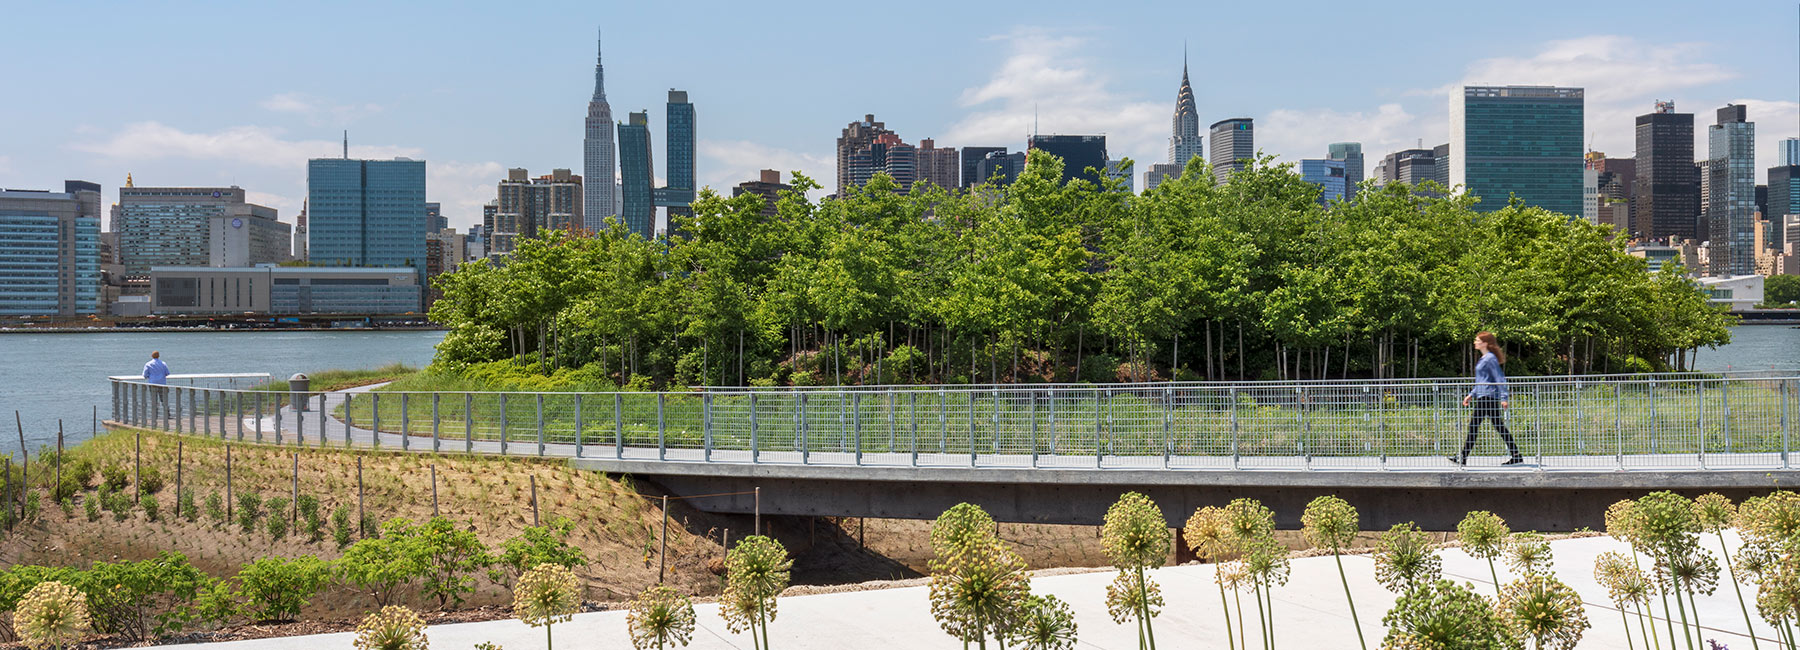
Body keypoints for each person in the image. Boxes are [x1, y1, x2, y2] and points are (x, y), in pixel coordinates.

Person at [1450, 332, 1523, 466]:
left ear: (1485, 343)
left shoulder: (1490, 359)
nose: (1475, 342)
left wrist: (1504, 397)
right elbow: (1482, 381)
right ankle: (1516, 455)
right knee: (1498, 426)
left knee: (1474, 426)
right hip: (1484, 396)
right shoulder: (1484, 358)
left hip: (1488, 397)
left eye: (1477, 340)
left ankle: (1463, 457)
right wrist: (1471, 394)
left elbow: (1499, 378)